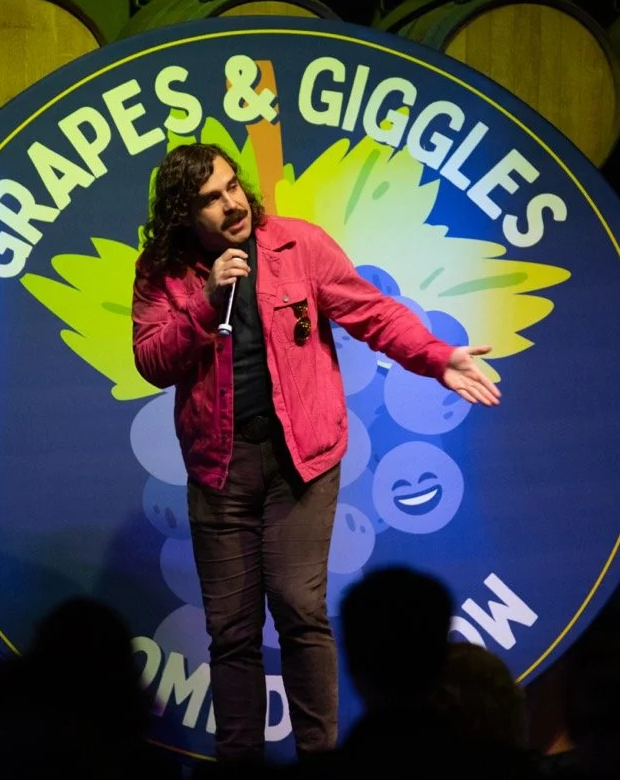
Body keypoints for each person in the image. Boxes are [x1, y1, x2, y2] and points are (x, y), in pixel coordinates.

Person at [131, 143, 500, 768]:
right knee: (232, 631)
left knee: (301, 609)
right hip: (219, 468)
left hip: (300, 460)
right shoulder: (162, 270)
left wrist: (439, 357)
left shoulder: (298, 246)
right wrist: (205, 300)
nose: (231, 205)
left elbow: (372, 312)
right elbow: (151, 359)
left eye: (232, 188)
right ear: (184, 218)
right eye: (210, 201)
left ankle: (321, 760)